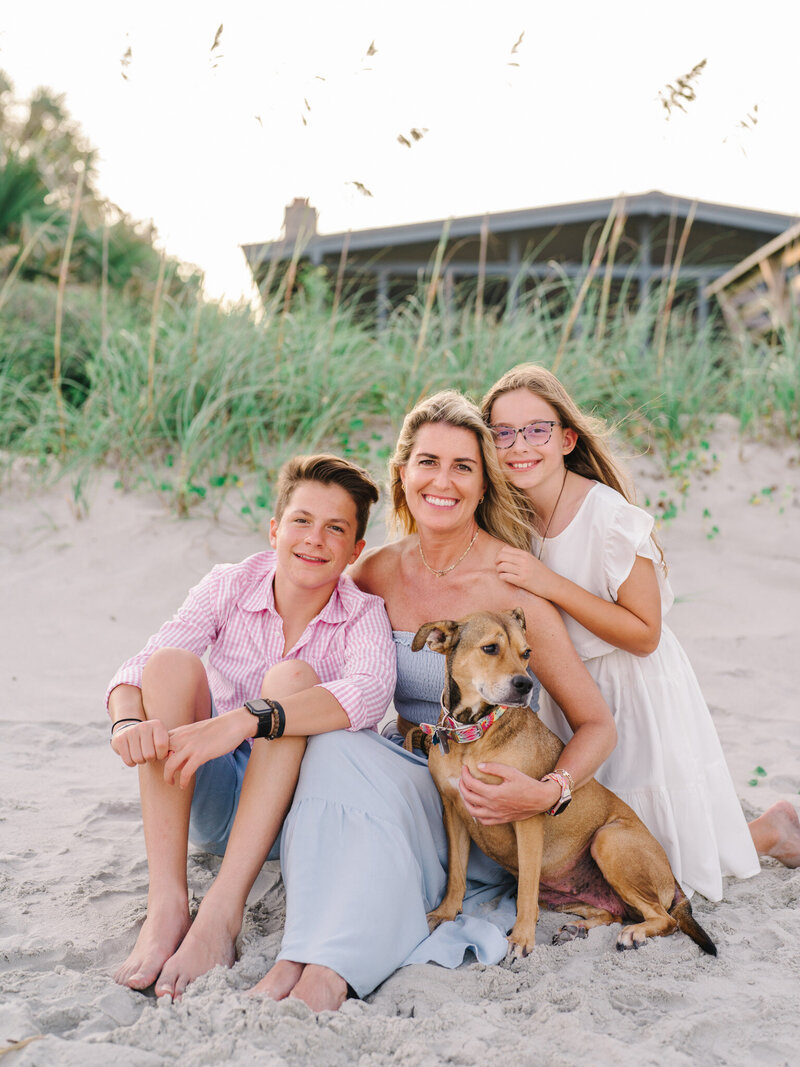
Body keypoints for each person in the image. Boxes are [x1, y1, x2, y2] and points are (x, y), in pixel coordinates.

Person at [249, 391, 618, 1008]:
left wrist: (547, 790)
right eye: (427, 462)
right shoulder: (373, 572)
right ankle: (296, 952)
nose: (442, 481)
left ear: (483, 485)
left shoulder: (509, 583)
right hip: (403, 761)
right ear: (403, 473)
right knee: (333, 748)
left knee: (350, 781)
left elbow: (596, 724)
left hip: (477, 794)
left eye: (463, 467)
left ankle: (331, 971)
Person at [480, 362, 800, 900]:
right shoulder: (508, 517)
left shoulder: (608, 517)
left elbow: (645, 632)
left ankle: (770, 829)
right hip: (568, 690)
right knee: (594, 835)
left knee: (660, 853)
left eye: (536, 430)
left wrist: (549, 582)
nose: (519, 446)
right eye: (503, 433)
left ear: (566, 438)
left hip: (632, 686)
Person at [106, 453, 396, 1004]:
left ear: (356, 550)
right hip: (211, 798)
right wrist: (126, 719)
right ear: (274, 529)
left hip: (289, 813)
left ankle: (221, 913)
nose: (315, 539)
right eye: (302, 521)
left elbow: (370, 692)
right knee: (170, 665)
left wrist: (245, 719)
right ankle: (167, 904)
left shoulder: (362, 614)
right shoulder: (230, 584)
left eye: (336, 528)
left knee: (291, 679)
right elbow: (141, 666)